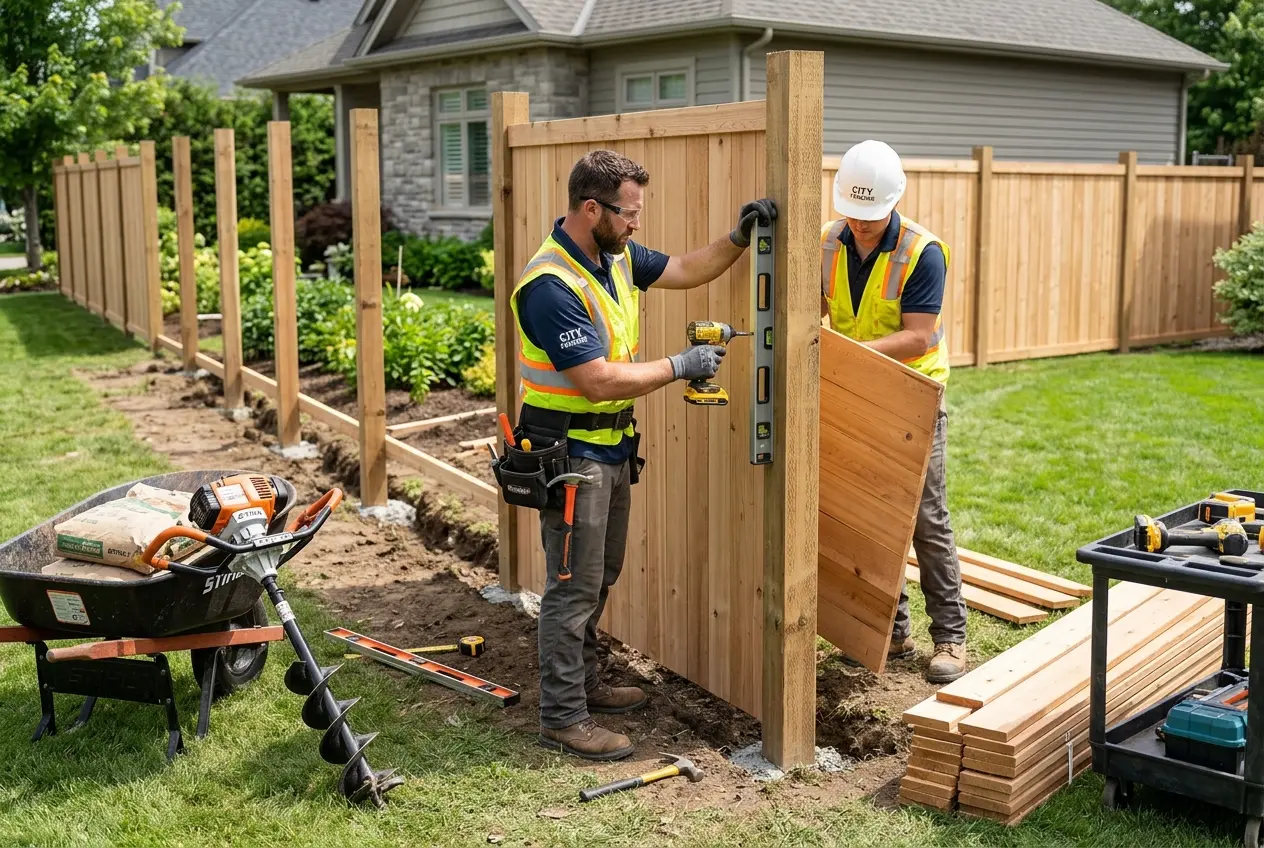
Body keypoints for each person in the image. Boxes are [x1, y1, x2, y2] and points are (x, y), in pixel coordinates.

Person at [510, 148, 776, 760]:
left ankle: (584, 684)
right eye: (627, 214)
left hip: (608, 452)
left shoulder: (616, 257)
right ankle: (562, 716)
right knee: (571, 587)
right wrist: (679, 367)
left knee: (599, 578)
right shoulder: (551, 286)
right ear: (590, 207)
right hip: (571, 458)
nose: (636, 224)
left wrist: (737, 237)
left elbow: (685, 267)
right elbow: (597, 381)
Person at [820, 139, 968, 684]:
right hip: (856, 390)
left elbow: (917, 336)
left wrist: (838, 355)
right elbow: (808, 311)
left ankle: (950, 636)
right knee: (864, 514)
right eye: (852, 214)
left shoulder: (922, 251)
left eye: (870, 216)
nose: (859, 225)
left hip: (913, 395)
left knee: (926, 520)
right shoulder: (828, 244)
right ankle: (892, 632)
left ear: (893, 202)